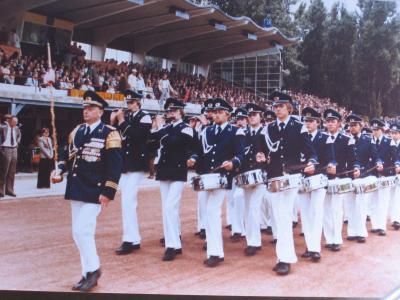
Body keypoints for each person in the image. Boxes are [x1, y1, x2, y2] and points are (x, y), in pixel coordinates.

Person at [53, 91, 122, 291]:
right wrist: (60, 168)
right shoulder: (77, 131)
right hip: (77, 187)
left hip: (95, 189)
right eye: (84, 108)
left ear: (100, 112)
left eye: (90, 108)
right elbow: (68, 156)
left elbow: (115, 166)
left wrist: (108, 191)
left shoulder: (110, 133)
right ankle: (87, 274)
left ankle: (93, 270)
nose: (86, 111)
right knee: (81, 233)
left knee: (81, 230)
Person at [257, 91, 317, 275]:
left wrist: (312, 162)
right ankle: (282, 257)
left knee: (283, 216)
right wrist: (259, 155)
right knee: (278, 217)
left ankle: (285, 259)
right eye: (275, 107)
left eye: (281, 106)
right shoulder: (269, 128)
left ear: (288, 108)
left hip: (291, 177)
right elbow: (261, 149)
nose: (277, 109)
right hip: (274, 176)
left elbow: (310, 151)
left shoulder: (298, 127)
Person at [187, 97, 245, 267]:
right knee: (207, 212)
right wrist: (193, 158)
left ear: (227, 115)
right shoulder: (206, 131)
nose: (216, 115)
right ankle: (213, 249)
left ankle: (215, 253)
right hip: (206, 177)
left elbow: (241, 155)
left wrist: (232, 163)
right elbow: (199, 152)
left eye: (220, 112)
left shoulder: (235, 132)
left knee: (213, 212)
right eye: (215, 112)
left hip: (221, 178)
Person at [149, 97, 195, 261]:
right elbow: (151, 140)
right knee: (168, 208)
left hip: (177, 171)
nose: (171, 113)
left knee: (170, 207)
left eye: (174, 111)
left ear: (181, 111)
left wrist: (160, 128)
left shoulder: (186, 128)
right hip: (164, 171)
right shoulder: (167, 128)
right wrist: (158, 129)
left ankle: (172, 245)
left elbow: (175, 142)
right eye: (169, 111)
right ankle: (175, 243)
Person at [111, 90, 151, 256]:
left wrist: (121, 122)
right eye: (127, 102)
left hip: (137, 163)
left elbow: (137, 136)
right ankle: (133, 239)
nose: (128, 105)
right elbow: (118, 136)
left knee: (128, 200)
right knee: (127, 201)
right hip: (127, 164)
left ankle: (130, 239)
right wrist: (114, 122)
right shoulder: (127, 119)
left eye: (131, 102)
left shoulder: (145, 117)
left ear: (138, 103)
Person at [298, 107, 335, 262]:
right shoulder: (299, 137)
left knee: (316, 211)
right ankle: (309, 245)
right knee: (305, 215)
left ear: (317, 122)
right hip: (303, 179)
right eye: (305, 120)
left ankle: (315, 248)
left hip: (319, 179)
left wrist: (327, 166)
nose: (307, 123)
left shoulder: (324, 137)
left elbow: (330, 158)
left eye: (311, 121)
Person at [322, 108, 356, 252]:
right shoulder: (321, 138)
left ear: (339, 123)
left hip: (339, 178)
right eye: (328, 121)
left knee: (336, 210)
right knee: (326, 211)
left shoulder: (347, 140)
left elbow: (352, 160)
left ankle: (336, 239)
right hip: (324, 179)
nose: (330, 124)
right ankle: (329, 239)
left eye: (333, 121)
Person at [345, 114, 382, 243]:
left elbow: (375, 154)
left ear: (361, 126)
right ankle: (352, 231)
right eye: (350, 125)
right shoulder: (346, 139)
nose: (352, 128)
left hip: (364, 175)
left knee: (361, 205)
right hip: (350, 175)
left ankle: (361, 232)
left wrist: (378, 162)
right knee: (350, 205)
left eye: (354, 125)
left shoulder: (368, 139)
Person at [240, 103, 266, 256]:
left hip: (261, 176)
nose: (251, 117)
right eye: (249, 115)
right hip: (247, 175)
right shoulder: (244, 133)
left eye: (254, 115)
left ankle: (255, 242)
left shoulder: (265, 132)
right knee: (248, 209)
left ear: (260, 116)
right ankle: (251, 240)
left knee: (254, 208)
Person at [369, 118, 400, 236]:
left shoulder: (388, 141)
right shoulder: (370, 141)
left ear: (382, 130)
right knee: (373, 201)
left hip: (386, 175)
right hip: (373, 175)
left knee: (383, 201)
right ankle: (375, 224)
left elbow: (395, 156)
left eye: (377, 129)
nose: (375, 132)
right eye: (373, 130)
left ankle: (381, 226)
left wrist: (397, 165)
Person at [227, 107, 248, 242]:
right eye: (238, 119)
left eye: (242, 119)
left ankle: (241, 229)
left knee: (239, 198)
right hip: (233, 171)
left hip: (246, 172)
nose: (240, 122)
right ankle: (236, 228)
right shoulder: (232, 133)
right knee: (232, 200)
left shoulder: (250, 134)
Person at [0, 115, 21, 197]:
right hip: (6, 149)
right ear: (9, 121)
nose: (15, 123)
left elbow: (19, 135)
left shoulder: (16, 128)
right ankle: (1, 191)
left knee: (12, 172)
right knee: (3, 171)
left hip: (14, 149)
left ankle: (9, 190)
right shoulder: (3, 127)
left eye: (16, 122)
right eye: (14, 122)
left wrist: (17, 142)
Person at [389, 123, 400, 230]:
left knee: (398, 197)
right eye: (392, 133)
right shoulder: (389, 144)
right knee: (392, 197)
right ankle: (394, 218)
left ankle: (397, 219)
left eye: (396, 133)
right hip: (391, 173)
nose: (394, 135)